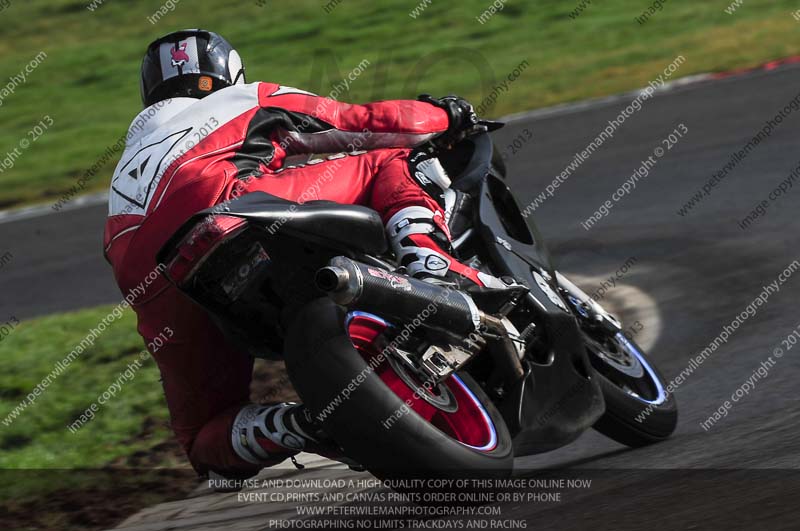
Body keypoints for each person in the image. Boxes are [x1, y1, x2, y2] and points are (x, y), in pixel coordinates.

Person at [104, 29, 502, 480]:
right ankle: (429, 261)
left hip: (151, 270)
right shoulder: (243, 98)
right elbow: (361, 122)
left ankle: (297, 426)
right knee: (390, 158)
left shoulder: (124, 168)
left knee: (200, 438)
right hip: (226, 206)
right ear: (228, 73)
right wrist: (445, 114)